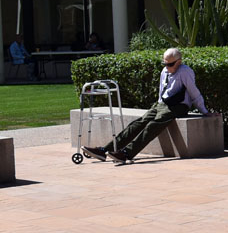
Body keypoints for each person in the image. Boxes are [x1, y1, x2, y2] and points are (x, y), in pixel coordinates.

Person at [81, 48, 215, 164]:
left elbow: (193, 92)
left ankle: (126, 153)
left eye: (170, 64)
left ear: (179, 62)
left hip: (178, 106)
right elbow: (162, 90)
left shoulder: (185, 72)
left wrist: (204, 111)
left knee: (153, 125)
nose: (167, 67)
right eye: (165, 63)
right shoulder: (165, 71)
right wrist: (158, 105)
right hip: (162, 104)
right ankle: (105, 150)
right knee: (138, 123)